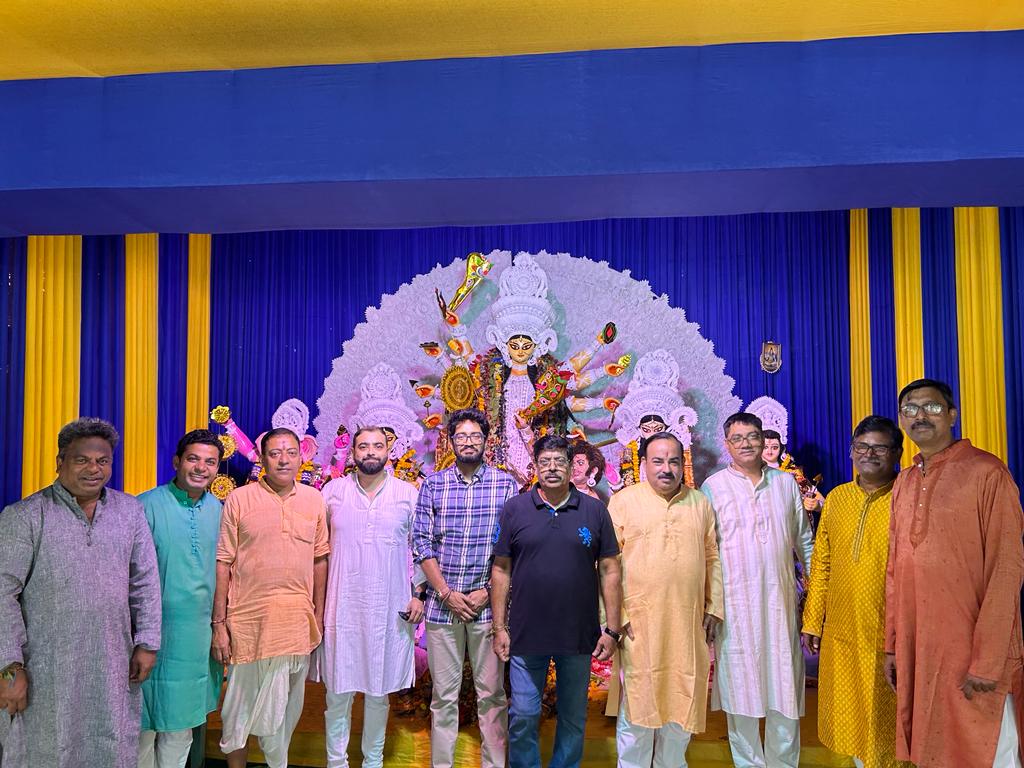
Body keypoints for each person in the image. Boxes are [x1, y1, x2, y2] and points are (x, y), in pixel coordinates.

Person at [0, 418, 161, 768]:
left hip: (113, 661)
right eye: (82, 460)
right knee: (47, 747)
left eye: (103, 461)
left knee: (110, 742)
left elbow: (145, 580)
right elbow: (2, 594)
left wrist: (148, 642)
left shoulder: (129, 512)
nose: (94, 469)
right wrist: (9, 669)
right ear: (60, 462)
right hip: (46, 668)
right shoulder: (26, 516)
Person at [884, 378, 1024, 767]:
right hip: (920, 647)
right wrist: (893, 645)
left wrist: (989, 659)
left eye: (931, 407)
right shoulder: (905, 481)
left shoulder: (987, 472)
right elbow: (895, 571)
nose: (920, 416)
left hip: (974, 655)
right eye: (910, 409)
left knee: (990, 749)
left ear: (951, 415)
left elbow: (1006, 569)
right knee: (933, 747)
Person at [491, 434, 622, 768]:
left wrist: (612, 629)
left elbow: (609, 569)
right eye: (544, 462)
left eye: (559, 461)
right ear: (535, 466)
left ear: (570, 466)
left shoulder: (594, 510)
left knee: (573, 717)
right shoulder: (515, 509)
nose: (551, 468)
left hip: (577, 633)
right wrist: (499, 627)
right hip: (526, 632)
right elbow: (501, 569)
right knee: (523, 714)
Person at [211, 427, 330, 768]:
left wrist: (318, 615)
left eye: (290, 452)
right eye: (275, 453)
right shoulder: (240, 499)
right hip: (247, 623)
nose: (283, 460)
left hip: (296, 623)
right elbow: (223, 562)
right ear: (262, 458)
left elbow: (320, 559)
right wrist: (219, 624)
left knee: (285, 713)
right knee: (237, 711)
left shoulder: (314, 500)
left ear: (301, 457)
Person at [700, 412, 813, 768]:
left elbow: (804, 541)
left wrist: (816, 595)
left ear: (764, 440)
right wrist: (710, 604)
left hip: (780, 605)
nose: (746, 443)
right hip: (734, 608)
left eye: (752, 436)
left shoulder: (785, 484)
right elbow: (706, 551)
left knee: (784, 690)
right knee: (740, 694)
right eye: (738, 438)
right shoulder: (713, 487)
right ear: (727, 444)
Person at [607, 431, 723, 768]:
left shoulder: (699, 503)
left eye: (673, 461)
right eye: (657, 461)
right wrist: (616, 617)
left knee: (680, 707)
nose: (666, 469)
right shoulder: (624, 502)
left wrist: (714, 606)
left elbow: (712, 557)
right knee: (638, 712)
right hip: (638, 626)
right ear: (643, 463)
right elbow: (607, 564)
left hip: (687, 623)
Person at [412, 408, 518, 768]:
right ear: (451, 441)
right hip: (443, 607)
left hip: (488, 608)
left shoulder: (505, 485)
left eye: (475, 436)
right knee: (443, 697)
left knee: (492, 695)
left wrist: (488, 592)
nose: (469, 442)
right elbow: (422, 543)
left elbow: (512, 546)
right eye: (461, 436)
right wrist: (445, 593)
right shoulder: (434, 485)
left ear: (487, 441)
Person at [801, 416, 906, 768]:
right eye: (862, 446)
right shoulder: (838, 498)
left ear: (897, 453)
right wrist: (813, 620)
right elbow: (822, 563)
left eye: (879, 447)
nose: (869, 454)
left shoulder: (908, 497)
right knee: (851, 716)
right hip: (843, 632)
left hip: (890, 632)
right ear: (851, 451)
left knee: (890, 718)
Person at [319, 426, 426, 768]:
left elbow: (423, 548)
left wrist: (419, 594)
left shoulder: (407, 494)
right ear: (352, 452)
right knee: (338, 693)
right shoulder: (332, 492)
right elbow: (317, 550)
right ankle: (336, 762)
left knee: (379, 694)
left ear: (388, 451)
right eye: (363, 446)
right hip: (342, 607)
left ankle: (373, 762)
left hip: (388, 608)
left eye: (377, 446)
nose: (370, 452)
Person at [138, 429, 225, 768]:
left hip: (196, 637)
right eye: (193, 459)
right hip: (148, 635)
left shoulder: (220, 510)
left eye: (210, 462)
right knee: (141, 728)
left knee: (180, 728)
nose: (201, 468)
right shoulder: (144, 506)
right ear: (177, 461)